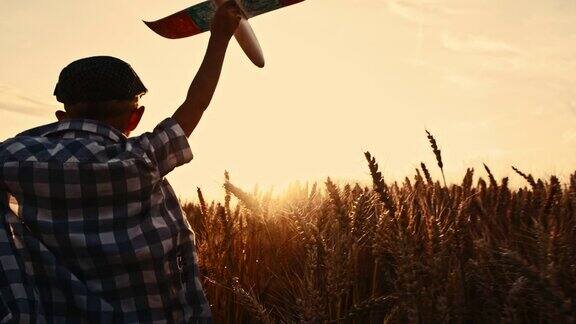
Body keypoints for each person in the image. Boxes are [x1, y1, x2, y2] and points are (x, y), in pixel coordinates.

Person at [0, 1, 243, 322]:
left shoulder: (12, 158)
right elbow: (196, 103)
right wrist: (220, 37)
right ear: (135, 117)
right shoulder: (142, 158)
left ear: (61, 116)